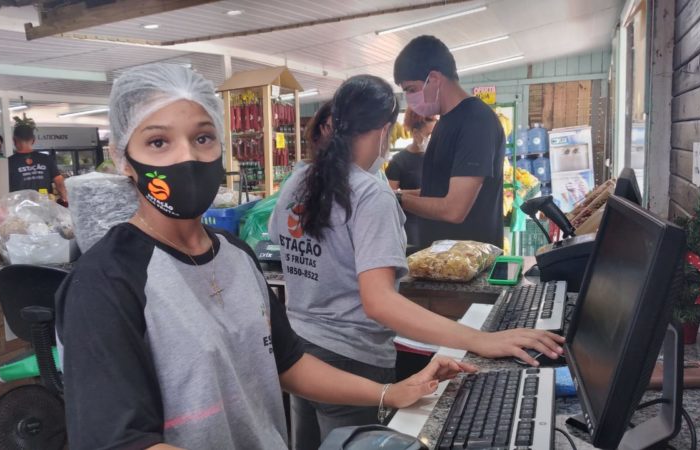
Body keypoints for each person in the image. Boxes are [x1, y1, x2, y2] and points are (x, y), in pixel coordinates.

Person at [55, 63, 474, 450]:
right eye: (158, 141)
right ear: (125, 160)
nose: (186, 158)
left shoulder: (234, 255)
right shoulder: (106, 281)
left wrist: (388, 392)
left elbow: (288, 363)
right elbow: (120, 441)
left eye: (202, 137)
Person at [270, 74, 564, 449]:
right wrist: (480, 339)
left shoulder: (297, 182)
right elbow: (379, 302)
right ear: (384, 130)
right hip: (349, 361)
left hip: (301, 355)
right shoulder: (369, 194)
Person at [393, 35, 506, 248]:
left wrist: (397, 200)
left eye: (411, 89)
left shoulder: (476, 121)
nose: (409, 98)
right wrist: (392, 194)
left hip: (469, 268)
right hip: (444, 263)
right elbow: (436, 192)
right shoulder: (445, 121)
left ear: (434, 79)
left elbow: (454, 209)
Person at [385, 108, 436, 245]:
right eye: (429, 135)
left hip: (435, 221)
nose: (432, 139)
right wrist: (418, 193)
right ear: (415, 133)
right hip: (411, 226)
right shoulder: (398, 161)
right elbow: (389, 195)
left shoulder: (437, 159)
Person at [8, 123, 68, 203]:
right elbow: (59, 182)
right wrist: (65, 200)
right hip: (45, 207)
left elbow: (2, 188)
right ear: (33, 140)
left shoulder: (8, 162)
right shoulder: (46, 159)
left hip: (20, 209)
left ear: (14, 140)